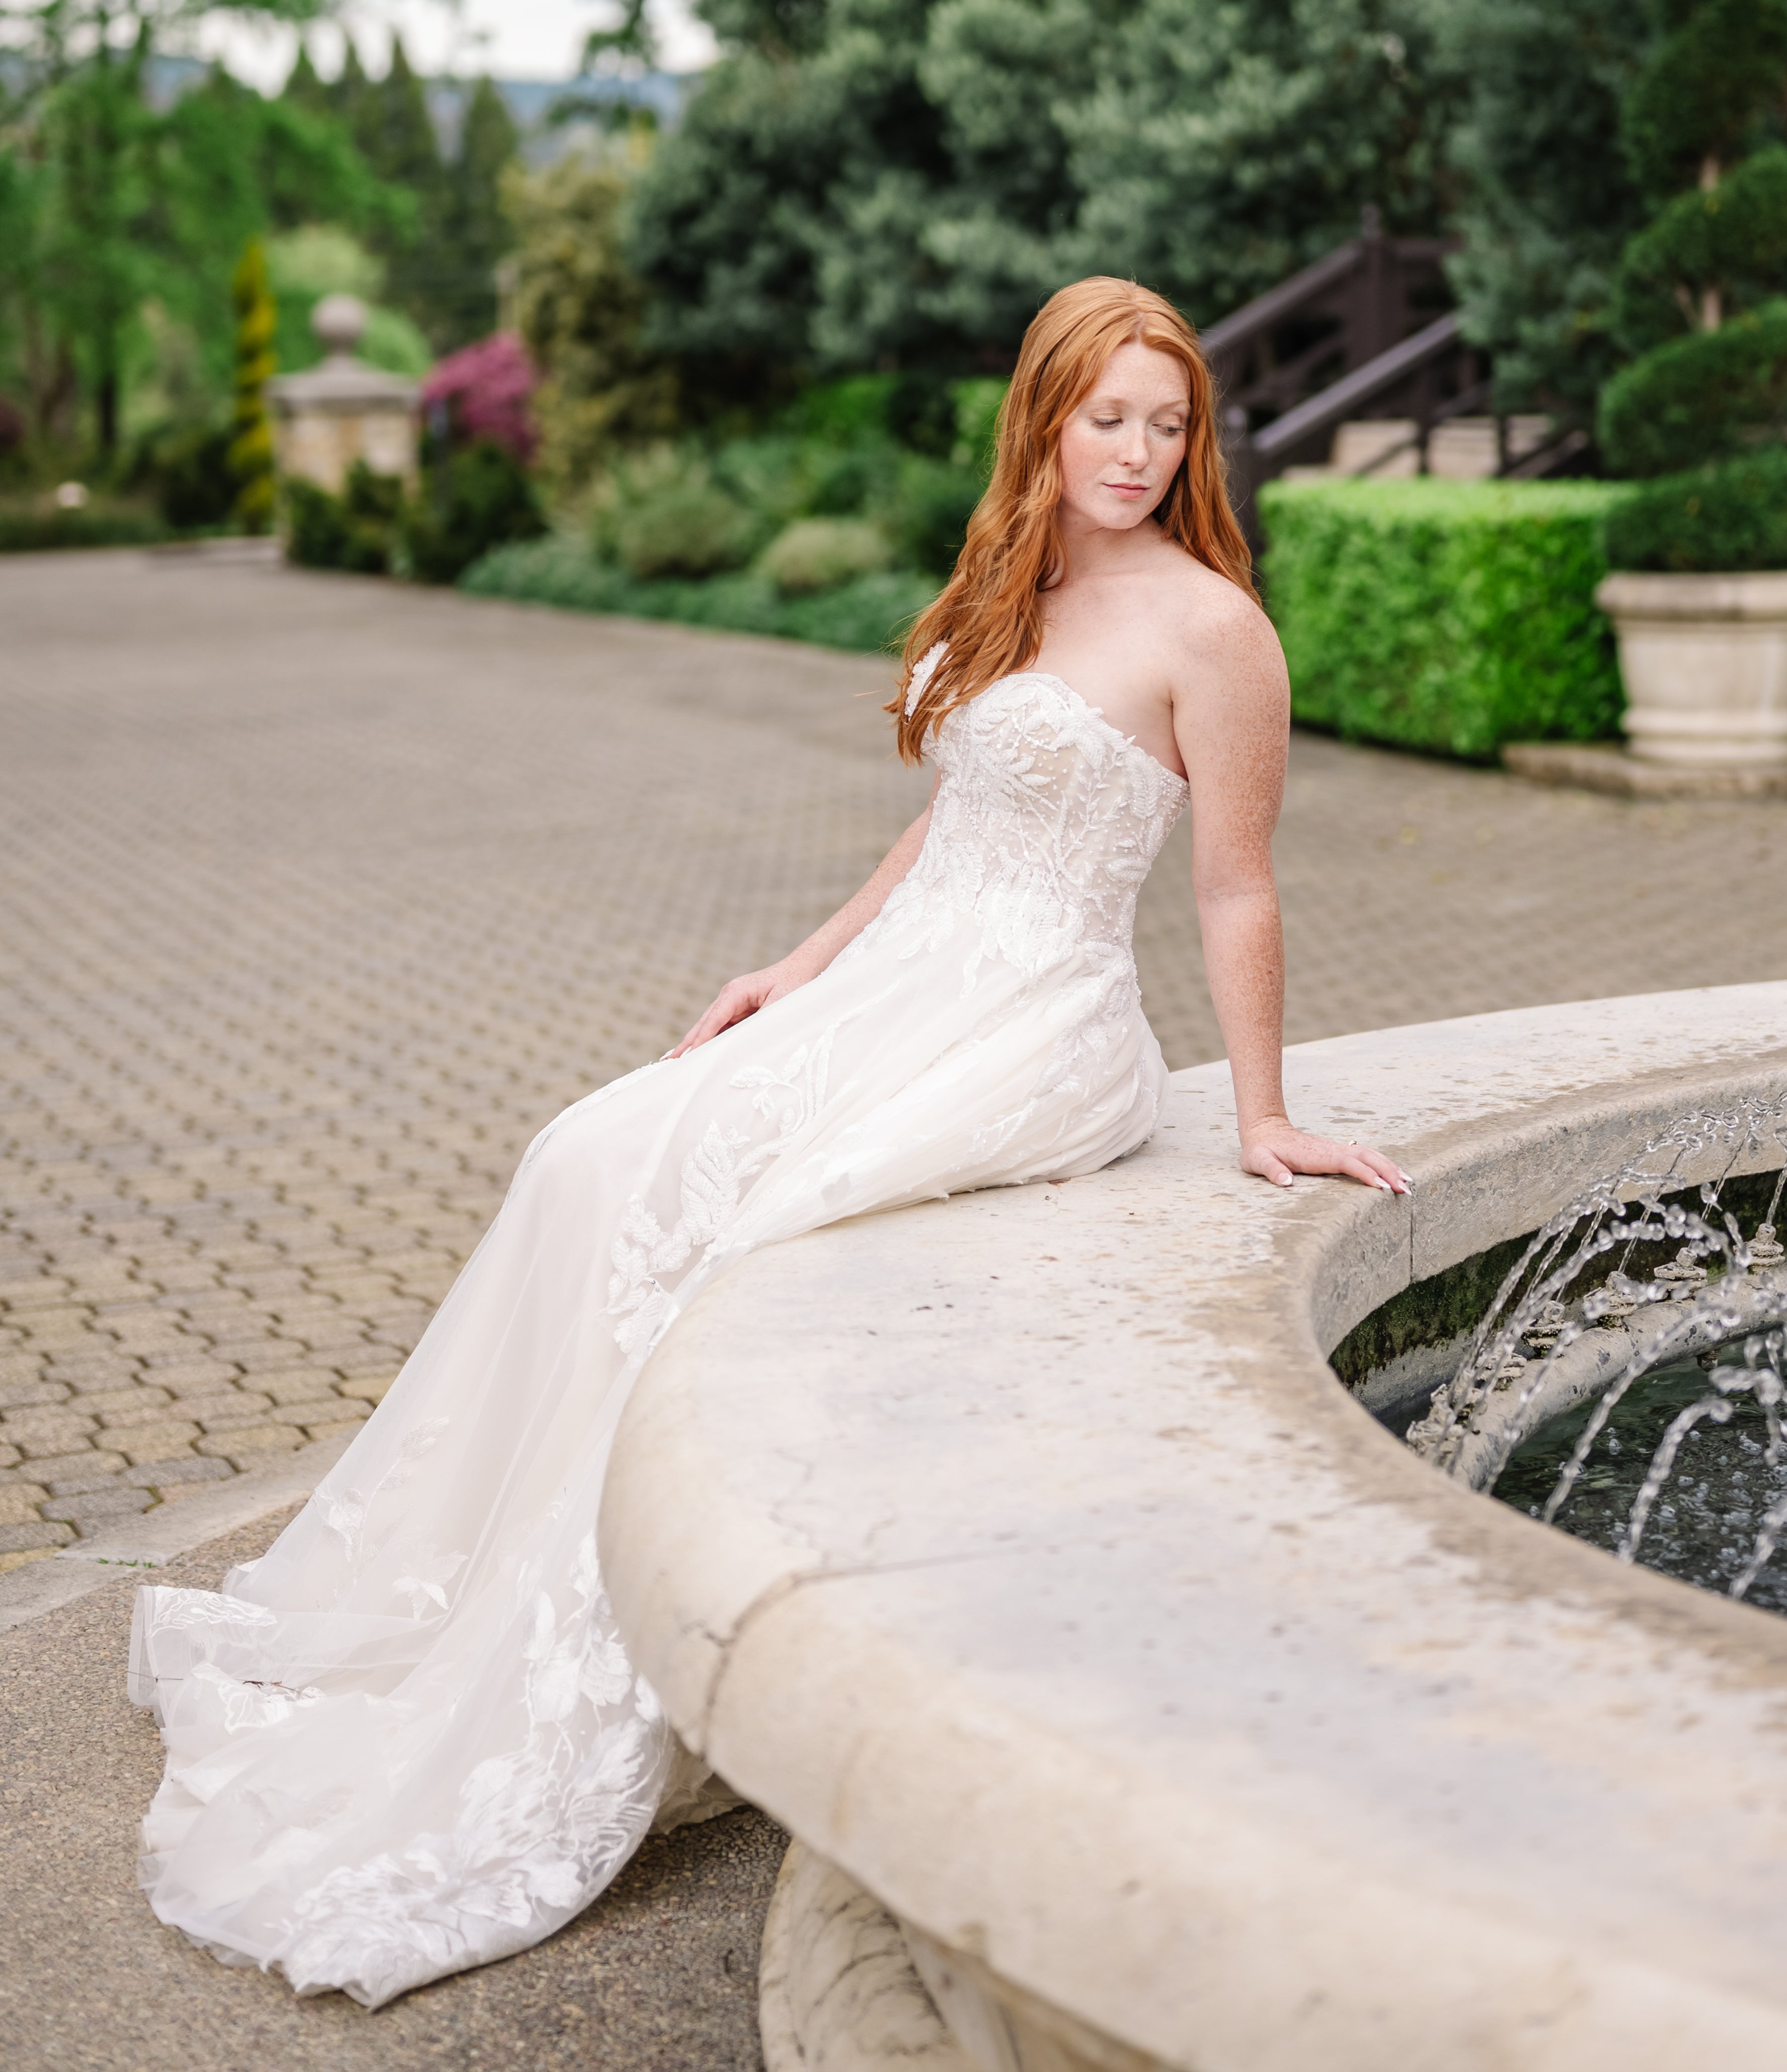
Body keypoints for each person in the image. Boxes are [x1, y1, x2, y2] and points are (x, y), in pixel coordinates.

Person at [129, 276, 1406, 2009]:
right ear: (1042, 420)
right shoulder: (1017, 579)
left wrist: (1259, 1113)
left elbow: (1235, 886)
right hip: (899, 979)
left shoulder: (1212, 629)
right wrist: (795, 968)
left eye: (1167, 422)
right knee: (588, 1155)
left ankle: (621, 1664)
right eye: (1105, 416)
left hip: (1039, 1020)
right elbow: (949, 820)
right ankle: (465, 1593)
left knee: (752, 1230)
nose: (1137, 450)